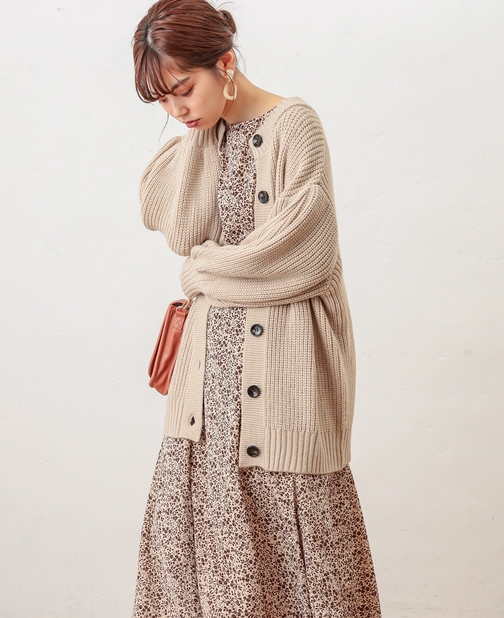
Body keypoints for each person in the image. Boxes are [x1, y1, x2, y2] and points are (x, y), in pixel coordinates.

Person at [131, 1, 382, 616]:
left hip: (287, 385)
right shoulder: (202, 134)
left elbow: (302, 253)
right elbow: (176, 224)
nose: (176, 110)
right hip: (206, 387)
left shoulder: (296, 124)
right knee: (204, 566)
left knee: (306, 569)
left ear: (226, 63)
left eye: (183, 90)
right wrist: (199, 133)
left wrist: (204, 273)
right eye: (162, 100)